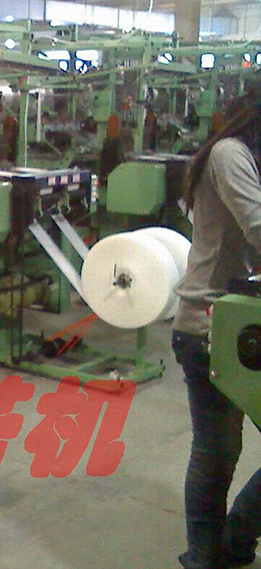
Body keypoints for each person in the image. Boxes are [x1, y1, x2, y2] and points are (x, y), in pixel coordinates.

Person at [173, 81, 261, 569]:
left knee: (219, 450)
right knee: (217, 452)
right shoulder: (230, 154)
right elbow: (258, 226)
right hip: (208, 326)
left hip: (243, 318)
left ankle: (233, 539)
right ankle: (206, 556)